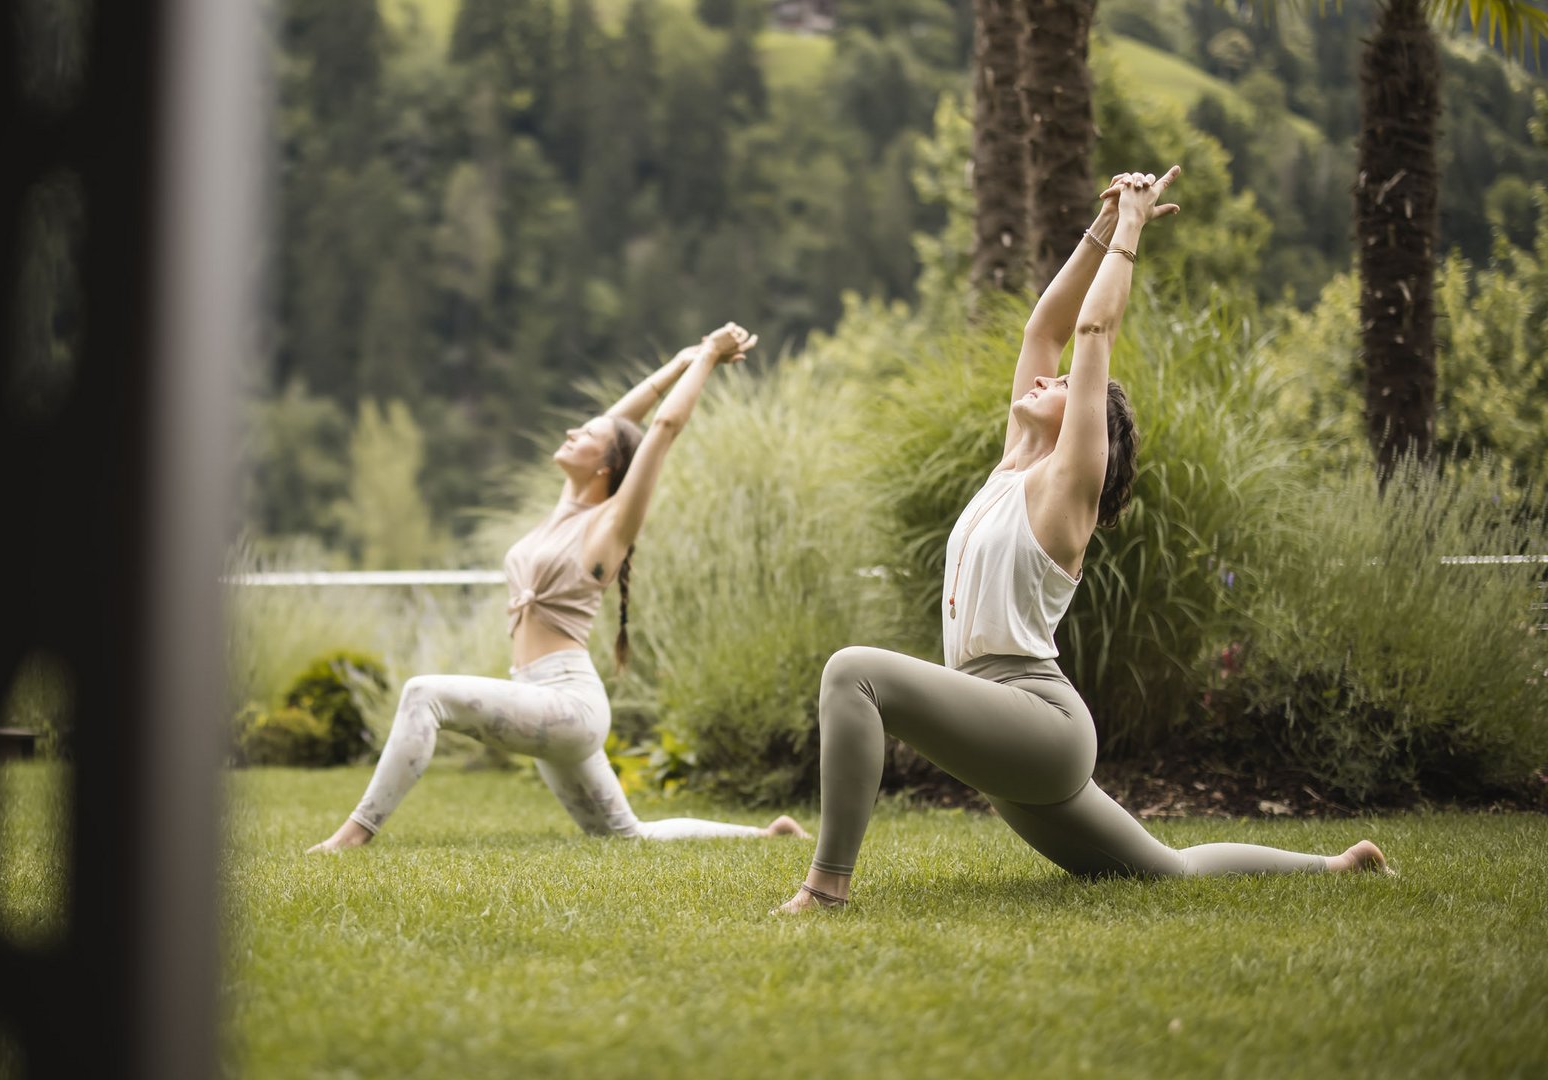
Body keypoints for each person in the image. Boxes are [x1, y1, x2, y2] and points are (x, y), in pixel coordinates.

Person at [777, 168, 1391, 911]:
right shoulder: (1014, 463)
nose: (1046, 378)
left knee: (853, 673)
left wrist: (1132, 230)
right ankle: (1336, 866)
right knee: (1168, 872)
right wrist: (1100, 225)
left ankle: (826, 891)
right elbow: (1048, 328)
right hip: (1001, 725)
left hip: (1036, 722)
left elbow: (1094, 331)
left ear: (1088, 427)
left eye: (1064, 384)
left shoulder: (1066, 487)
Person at [310, 323, 807, 853]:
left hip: (567, 704)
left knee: (424, 694)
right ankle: (769, 832)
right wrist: (679, 362)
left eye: (585, 435)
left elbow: (660, 429)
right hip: (537, 693)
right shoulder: (566, 511)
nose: (572, 433)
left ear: (608, 466)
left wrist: (708, 357)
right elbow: (621, 425)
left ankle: (353, 835)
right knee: (624, 836)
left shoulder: (609, 525)